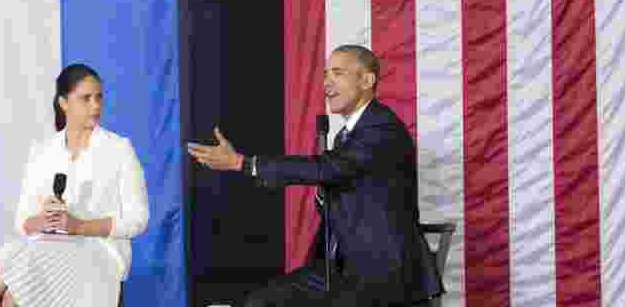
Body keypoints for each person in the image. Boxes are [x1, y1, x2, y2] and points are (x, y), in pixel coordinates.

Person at [187, 45, 442, 307]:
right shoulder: (352, 133)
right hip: (343, 269)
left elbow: (327, 168)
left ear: (367, 80)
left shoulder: (381, 127)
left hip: (382, 273)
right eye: (325, 74)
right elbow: (344, 186)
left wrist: (243, 163)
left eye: (338, 73)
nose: (327, 83)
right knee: (262, 301)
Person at [0, 64, 150, 307]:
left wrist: (78, 226)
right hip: (46, 247)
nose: (95, 106)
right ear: (64, 103)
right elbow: (23, 221)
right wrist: (43, 220)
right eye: (85, 99)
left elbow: (137, 220)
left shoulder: (119, 149)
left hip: (99, 255)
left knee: (14, 290)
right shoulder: (42, 151)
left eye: (99, 97)